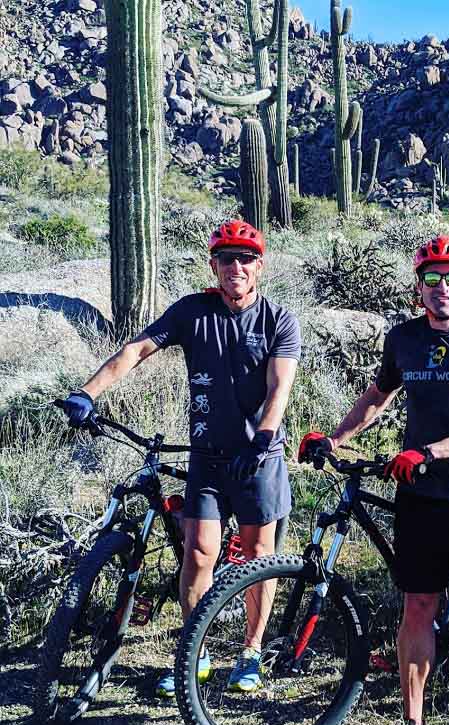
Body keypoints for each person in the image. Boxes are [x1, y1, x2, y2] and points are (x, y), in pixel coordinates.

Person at [299, 235, 449, 725]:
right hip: (420, 497)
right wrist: (335, 438)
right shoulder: (404, 338)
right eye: (431, 279)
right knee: (417, 608)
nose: (441, 289)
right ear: (418, 284)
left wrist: (430, 451)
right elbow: (377, 397)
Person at [62, 220, 301, 697]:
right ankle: (198, 655)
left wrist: (264, 438)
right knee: (197, 554)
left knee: (258, 554)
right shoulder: (193, 311)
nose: (236, 267)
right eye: (227, 259)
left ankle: (250, 652)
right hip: (208, 458)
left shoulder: (278, 319)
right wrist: (88, 392)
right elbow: (137, 349)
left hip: (260, 458)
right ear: (213, 266)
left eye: (246, 259)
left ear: (260, 266)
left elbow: (280, 388)